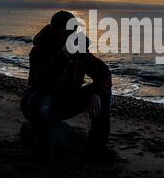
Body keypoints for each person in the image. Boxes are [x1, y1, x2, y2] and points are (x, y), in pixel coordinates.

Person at [21, 10, 114, 160]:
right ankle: (45, 148)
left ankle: (97, 145)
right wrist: (64, 55)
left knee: (104, 91)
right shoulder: (39, 51)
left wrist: (96, 94)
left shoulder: (79, 50)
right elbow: (44, 86)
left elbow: (103, 72)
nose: (73, 33)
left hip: (64, 102)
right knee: (41, 98)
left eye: (75, 29)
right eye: (69, 29)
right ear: (55, 30)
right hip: (36, 105)